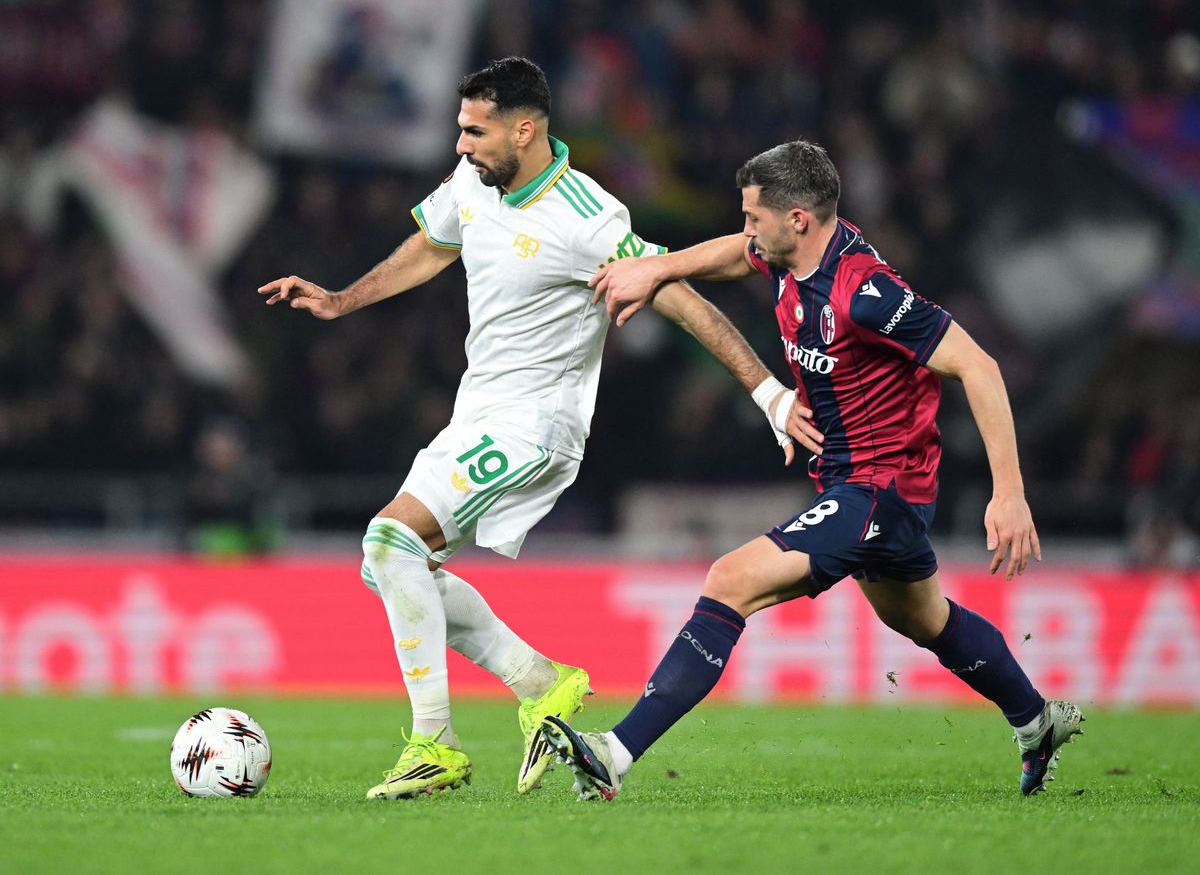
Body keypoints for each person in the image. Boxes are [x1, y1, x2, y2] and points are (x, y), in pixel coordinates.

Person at [258, 58, 822, 800]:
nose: (461, 145)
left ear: (524, 131)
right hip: (475, 414)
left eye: (475, 131)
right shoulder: (475, 182)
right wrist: (340, 301)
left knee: (391, 541)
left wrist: (769, 393)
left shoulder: (586, 216)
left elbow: (677, 295)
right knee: (390, 567)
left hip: (535, 425)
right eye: (461, 129)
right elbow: (434, 243)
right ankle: (540, 681)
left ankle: (434, 745)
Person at [539, 139, 1084, 800]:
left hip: (882, 490)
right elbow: (735, 254)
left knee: (730, 580)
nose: (746, 231)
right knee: (923, 619)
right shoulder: (789, 254)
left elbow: (979, 366)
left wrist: (1010, 494)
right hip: (856, 483)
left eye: (754, 217)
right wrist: (659, 268)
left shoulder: (868, 294)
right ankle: (1036, 721)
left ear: (797, 219)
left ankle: (614, 753)